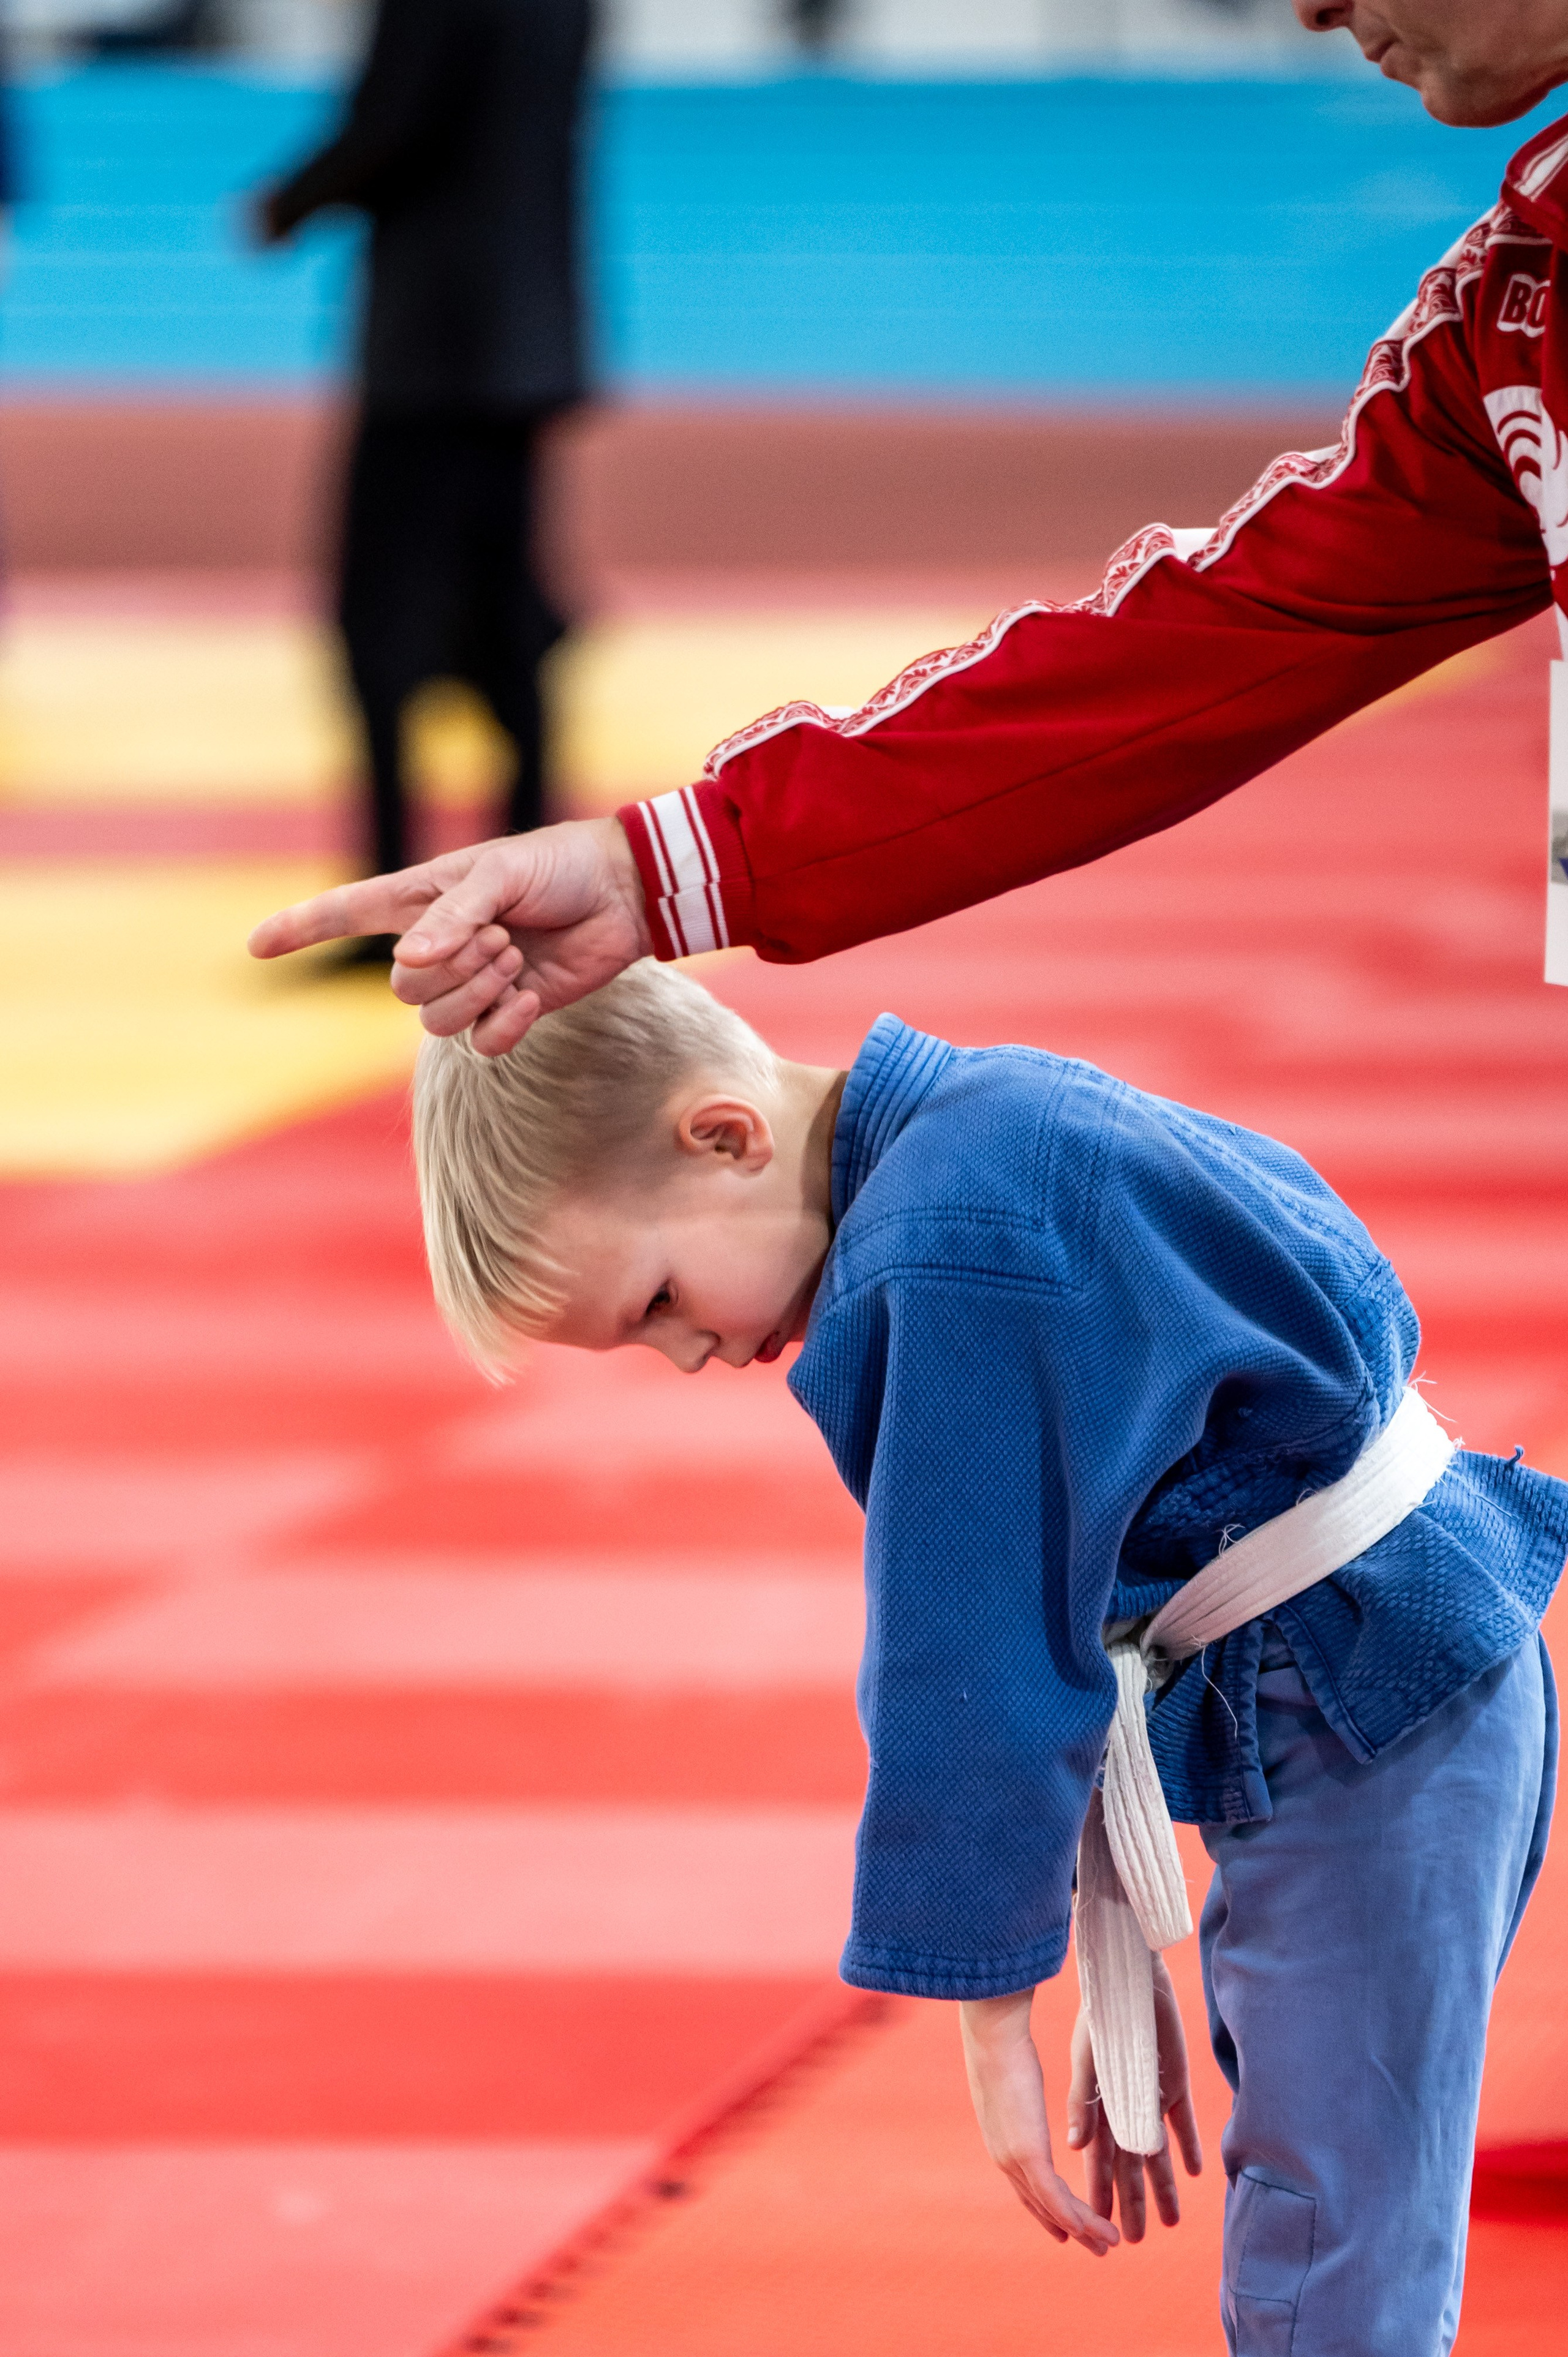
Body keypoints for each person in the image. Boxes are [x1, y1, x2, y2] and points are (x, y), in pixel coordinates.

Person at [409, 958, 1567, 2351]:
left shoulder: (936, 1247)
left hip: (1359, 1687)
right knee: (1342, 2169)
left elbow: (965, 1665)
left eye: (657, 1299)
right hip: (1418, 1635)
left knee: (1333, 2223)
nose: (692, 1354)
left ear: (724, 1134)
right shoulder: (983, 1115)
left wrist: (982, 2016)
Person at [248, 1, 1568, 1018]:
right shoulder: (1508, 312)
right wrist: (657, 866)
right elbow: (1187, 648)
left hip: (450, 343)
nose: (1306, 7)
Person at [254, 0, 592, 959]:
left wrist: (286, 202)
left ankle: (393, 900)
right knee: (511, 620)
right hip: (525, 340)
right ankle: (531, 875)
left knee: (380, 628)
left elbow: (398, 122)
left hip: (433, 347)